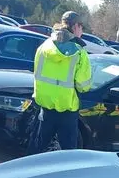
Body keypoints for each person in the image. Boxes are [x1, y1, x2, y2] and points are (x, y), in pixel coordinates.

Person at [27, 11, 93, 154]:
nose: (82, 30)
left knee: (36, 150)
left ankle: (29, 174)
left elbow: (37, 73)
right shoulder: (79, 52)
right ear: (75, 26)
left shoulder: (44, 47)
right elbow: (84, 86)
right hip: (67, 111)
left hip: (46, 108)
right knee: (68, 156)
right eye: (81, 26)